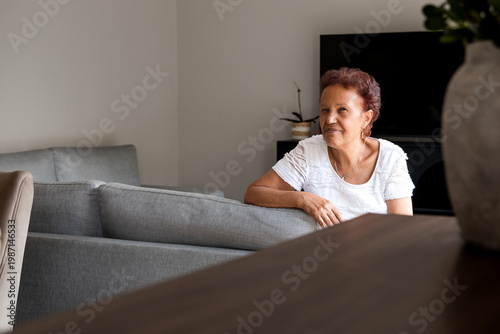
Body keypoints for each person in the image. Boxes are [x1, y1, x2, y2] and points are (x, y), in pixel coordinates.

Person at [244, 67, 414, 228]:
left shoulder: (390, 158)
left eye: (342, 110)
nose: (330, 119)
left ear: (366, 118)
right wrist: (302, 199)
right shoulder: (309, 150)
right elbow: (253, 193)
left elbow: (402, 229)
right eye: (324, 110)